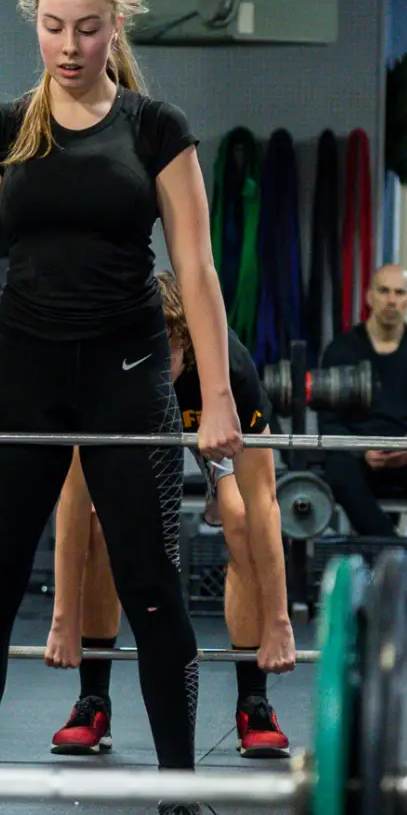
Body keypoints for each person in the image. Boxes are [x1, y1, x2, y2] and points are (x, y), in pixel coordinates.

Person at [0, 0, 240, 815]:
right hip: (22, 374)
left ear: (114, 26)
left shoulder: (154, 125)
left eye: (87, 27)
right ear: (35, 25)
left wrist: (221, 401)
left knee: (153, 583)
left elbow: (196, 270)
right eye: (53, 26)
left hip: (126, 378)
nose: (69, 44)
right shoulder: (3, 127)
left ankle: (179, 796)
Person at [43, 272, 296, 761]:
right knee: (99, 522)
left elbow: (265, 499)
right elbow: (72, 499)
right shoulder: (103, 369)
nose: (158, 372)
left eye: (170, 359)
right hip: (134, 431)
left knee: (240, 518)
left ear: (189, 345)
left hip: (211, 430)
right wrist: (63, 621)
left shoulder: (229, 369)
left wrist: (280, 624)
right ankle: (92, 699)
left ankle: (254, 703)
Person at [315, 266, 407, 556]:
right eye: (383, 291)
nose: (391, 300)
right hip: (361, 456)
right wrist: (363, 451)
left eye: (399, 292)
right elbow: (329, 423)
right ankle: (400, 555)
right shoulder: (340, 351)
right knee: (338, 471)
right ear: (369, 297)